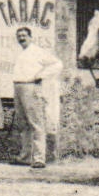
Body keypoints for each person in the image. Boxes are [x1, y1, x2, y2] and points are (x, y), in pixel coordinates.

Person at [9, 26, 65, 170]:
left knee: (36, 124)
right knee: (23, 124)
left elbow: (58, 64)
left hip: (31, 88)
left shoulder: (37, 52)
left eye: (24, 35)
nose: (21, 38)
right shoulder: (20, 52)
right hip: (18, 88)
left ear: (30, 37)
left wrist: (41, 75)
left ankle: (39, 158)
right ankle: (25, 157)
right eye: (19, 35)